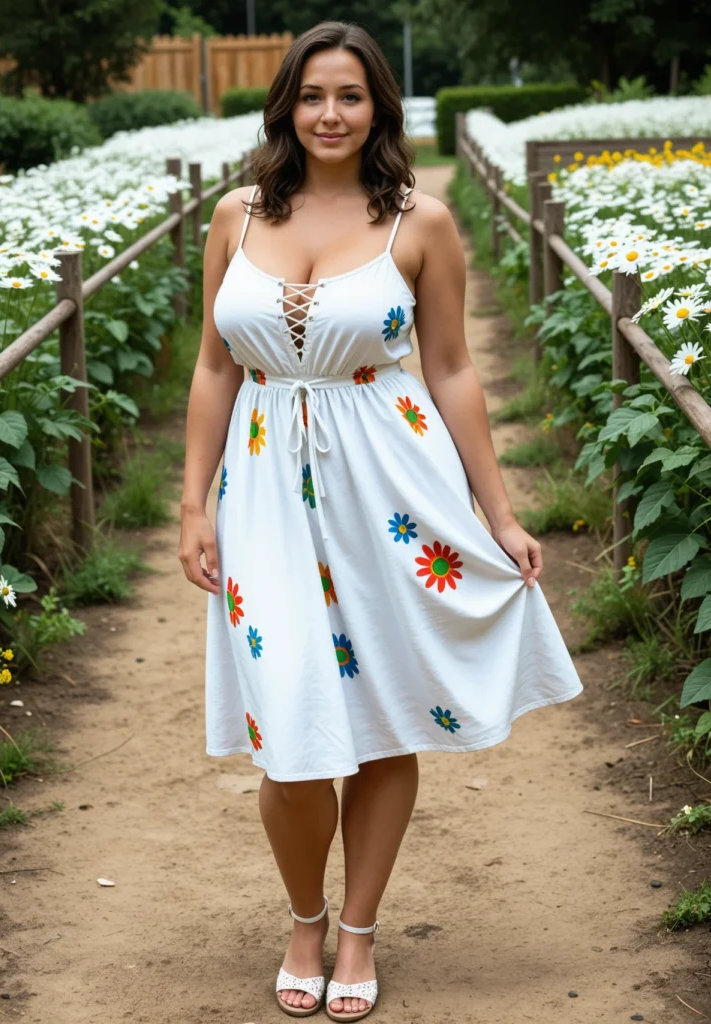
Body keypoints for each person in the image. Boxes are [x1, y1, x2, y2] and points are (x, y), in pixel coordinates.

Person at [178, 20, 583, 1022]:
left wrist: (497, 510)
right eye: (311, 94)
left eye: (349, 96)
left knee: (381, 709)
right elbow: (212, 366)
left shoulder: (420, 222)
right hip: (265, 481)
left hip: (389, 485)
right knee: (290, 721)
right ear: (284, 104)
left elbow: (449, 368)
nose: (328, 113)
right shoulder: (232, 218)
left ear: (378, 108)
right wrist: (192, 504)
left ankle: (356, 925)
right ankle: (302, 914)